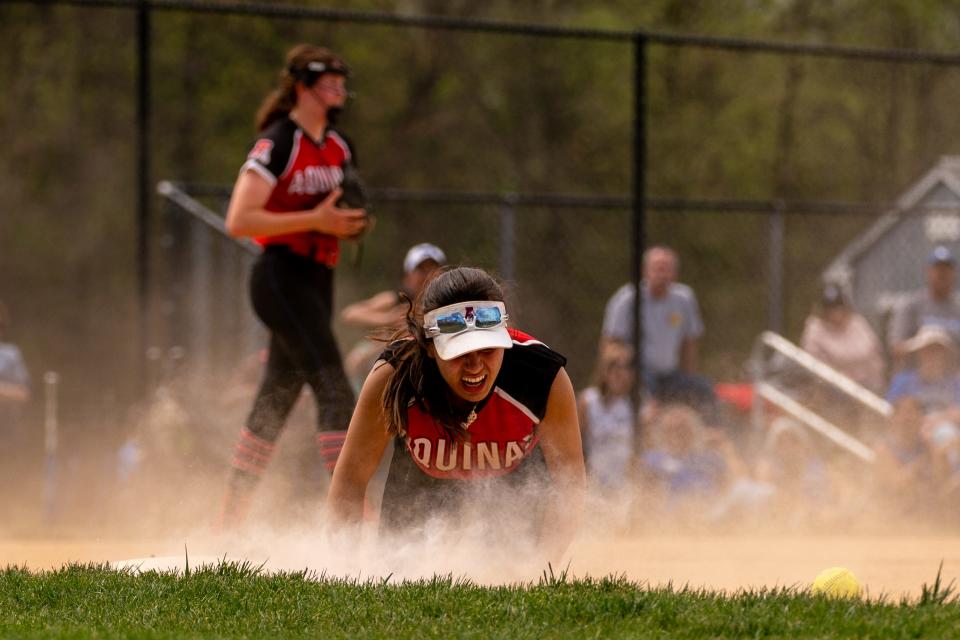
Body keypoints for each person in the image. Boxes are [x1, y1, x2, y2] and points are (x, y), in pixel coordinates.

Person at [327, 267, 585, 562]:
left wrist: (542, 566)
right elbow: (350, 479)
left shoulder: (542, 376)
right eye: (460, 353)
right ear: (431, 348)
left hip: (512, 493)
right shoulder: (395, 375)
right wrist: (345, 566)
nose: (475, 366)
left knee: (510, 571)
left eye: (487, 350)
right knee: (399, 573)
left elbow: (570, 484)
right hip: (418, 490)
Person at [217, 44, 372, 528]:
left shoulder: (339, 145)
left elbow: (341, 205)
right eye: (329, 83)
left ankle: (230, 519)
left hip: (317, 278)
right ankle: (351, 520)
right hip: (279, 276)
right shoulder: (278, 142)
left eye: (341, 83)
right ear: (303, 87)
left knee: (277, 396)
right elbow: (238, 219)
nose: (339, 91)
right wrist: (316, 218)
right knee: (333, 385)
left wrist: (350, 223)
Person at [601, 245, 718, 422]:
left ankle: (714, 437)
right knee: (649, 403)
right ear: (645, 271)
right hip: (638, 374)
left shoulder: (684, 299)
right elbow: (609, 342)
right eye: (657, 269)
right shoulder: (626, 299)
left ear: (675, 273)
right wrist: (616, 374)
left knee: (702, 388)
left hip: (671, 373)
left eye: (667, 269)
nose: (661, 274)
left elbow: (690, 344)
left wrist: (689, 374)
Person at [340, 242, 447, 390]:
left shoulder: (447, 305)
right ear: (408, 276)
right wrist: (388, 319)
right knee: (358, 358)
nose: (428, 274)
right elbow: (349, 314)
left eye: (433, 268)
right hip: (387, 363)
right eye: (421, 269)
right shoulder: (396, 299)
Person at [800, 284, 886, 393]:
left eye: (839, 307)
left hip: (867, 384)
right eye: (830, 309)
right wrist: (841, 378)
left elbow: (875, 354)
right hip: (833, 388)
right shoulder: (815, 328)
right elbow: (814, 364)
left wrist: (876, 381)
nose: (835, 313)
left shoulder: (857, 323)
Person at [577, 341, 634, 494]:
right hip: (595, 482)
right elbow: (576, 445)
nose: (619, 373)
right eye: (614, 366)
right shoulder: (588, 401)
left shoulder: (637, 406)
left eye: (626, 367)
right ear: (605, 371)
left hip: (624, 486)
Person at [888, 245, 960, 365]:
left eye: (946, 269)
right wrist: (927, 346)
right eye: (937, 269)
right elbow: (897, 348)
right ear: (928, 272)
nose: (942, 274)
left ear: (954, 274)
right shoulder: (911, 306)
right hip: (917, 375)